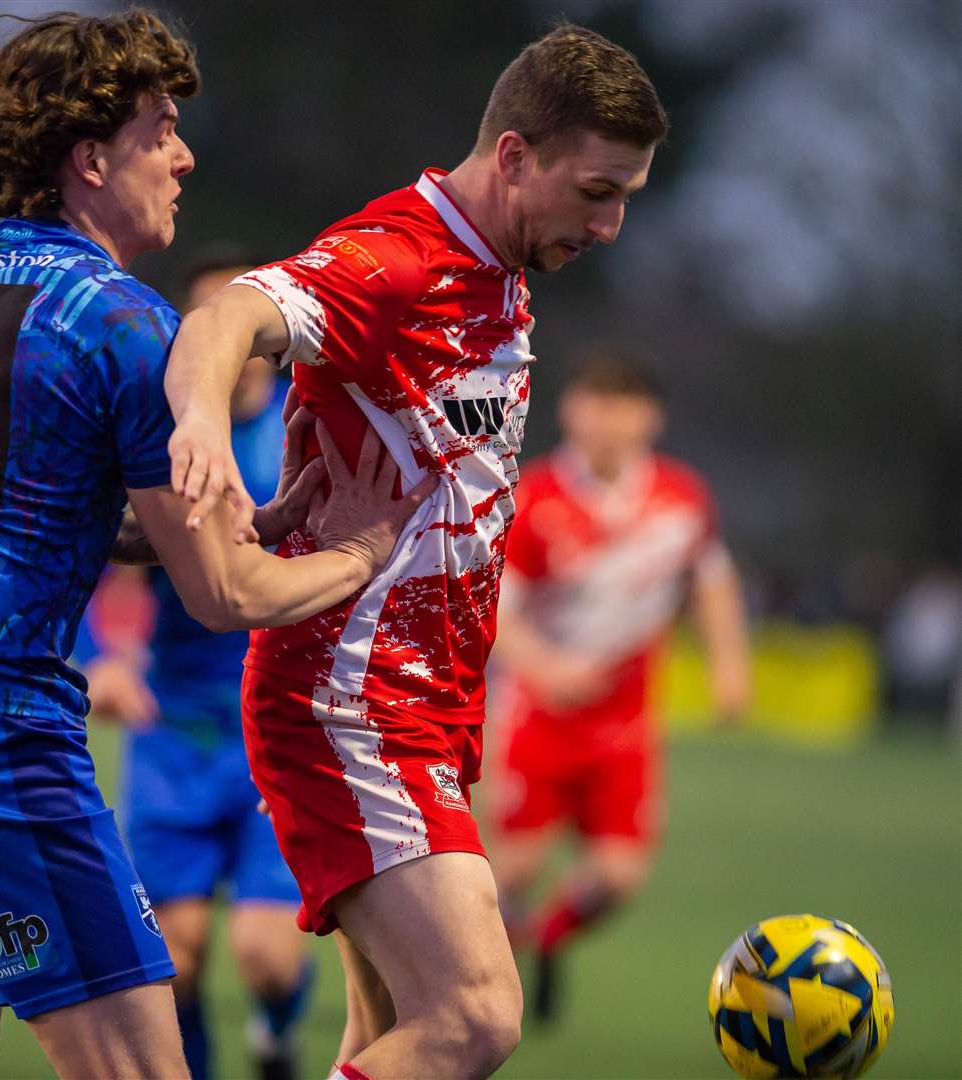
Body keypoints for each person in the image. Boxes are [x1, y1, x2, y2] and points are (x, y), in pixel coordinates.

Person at [0, 11, 431, 1080]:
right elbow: (224, 598)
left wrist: (267, 518)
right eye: (161, 131)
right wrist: (361, 552)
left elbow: (25, 516)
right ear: (92, 158)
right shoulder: (120, 316)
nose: (184, 157)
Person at [163, 22, 668, 1080]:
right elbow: (228, 317)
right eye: (595, 192)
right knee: (475, 1017)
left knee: (383, 1037)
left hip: (429, 701)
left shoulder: (497, 270)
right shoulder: (397, 258)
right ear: (516, 157)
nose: (612, 225)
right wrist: (203, 429)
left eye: (626, 195)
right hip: (350, 697)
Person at [78, 253, 315, 1080]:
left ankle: (277, 1033)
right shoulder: (153, 433)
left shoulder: (308, 427)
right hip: (174, 729)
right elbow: (82, 555)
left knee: (266, 955)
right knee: (174, 960)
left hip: (280, 726)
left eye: (250, 325)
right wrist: (101, 663)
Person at [488, 351, 752, 1019]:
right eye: (593, 401)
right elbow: (492, 607)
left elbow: (711, 581)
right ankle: (490, 974)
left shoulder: (679, 497)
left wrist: (729, 666)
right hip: (538, 718)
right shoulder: (534, 497)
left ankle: (544, 939)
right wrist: (543, 666)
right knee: (510, 871)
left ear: (650, 416)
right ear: (569, 409)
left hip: (626, 725)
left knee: (615, 879)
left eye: (623, 404)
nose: (607, 420)